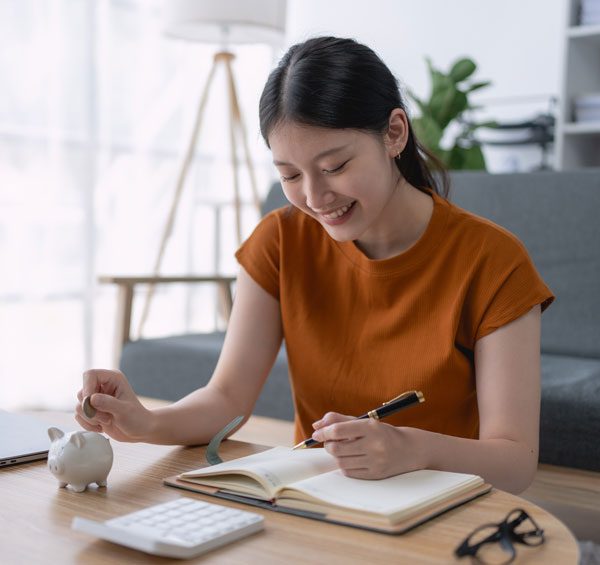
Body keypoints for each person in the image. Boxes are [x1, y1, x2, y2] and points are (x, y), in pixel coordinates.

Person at [76, 36, 554, 494]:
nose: (314, 197)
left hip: (444, 505)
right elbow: (226, 399)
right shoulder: (280, 242)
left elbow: (512, 462)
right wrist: (145, 421)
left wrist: (408, 448)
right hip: (320, 499)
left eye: (334, 167)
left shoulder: (493, 260)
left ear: (394, 133)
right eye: (289, 174)